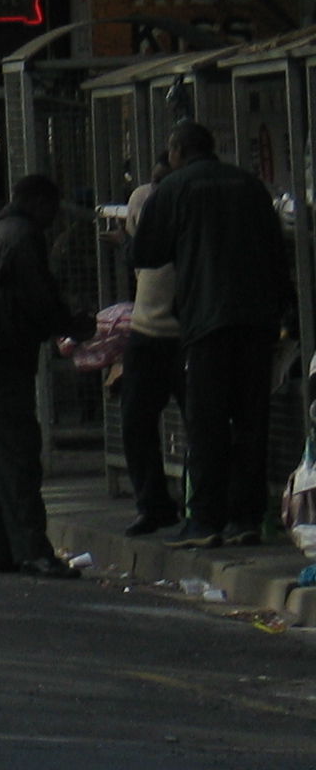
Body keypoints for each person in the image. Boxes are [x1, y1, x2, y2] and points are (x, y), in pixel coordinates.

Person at [128, 121, 293, 549]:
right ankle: (247, 518)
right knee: (252, 420)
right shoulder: (251, 185)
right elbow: (278, 251)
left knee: (207, 421)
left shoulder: (175, 187)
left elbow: (146, 252)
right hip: (257, 319)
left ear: (178, 151)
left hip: (206, 319)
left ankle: (204, 519)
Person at [0, 173, 90, 578]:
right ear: (39, 204)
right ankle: (32, 549)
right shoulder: (23, 235)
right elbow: (39, 297)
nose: (52, 219)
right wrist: (71, 324)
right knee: (17, 453)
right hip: (0, 351)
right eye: (51, 209)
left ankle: (1, 550)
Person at [118, 153, 184, 537]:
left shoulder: (188, 206)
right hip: (146, 328)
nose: (156, 191)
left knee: (204, 424)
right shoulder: (143, 199)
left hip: (186, 331)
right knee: (136, 421)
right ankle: (153, 503)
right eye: (154, 181)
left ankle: (204, 504)